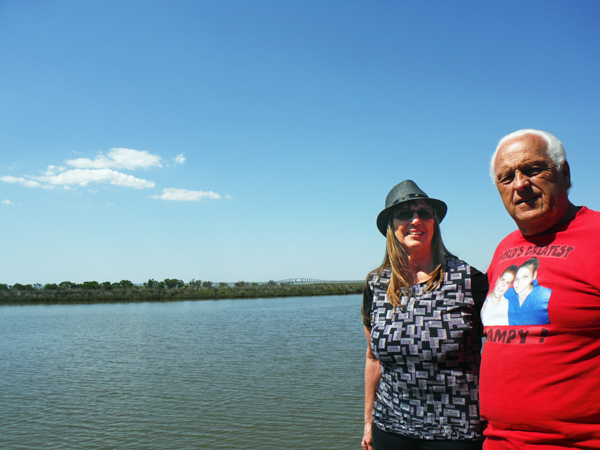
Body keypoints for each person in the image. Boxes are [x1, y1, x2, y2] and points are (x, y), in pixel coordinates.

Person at [481, 129, 600, 449]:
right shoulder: (504, 248)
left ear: (564, 173)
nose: (519, 184)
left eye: (533, 169)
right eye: (506, 178)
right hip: (498, 440)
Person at [362, 180, 488, 450]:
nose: (416, 220)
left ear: (434, 222)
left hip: (457, 432)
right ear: (391, 226)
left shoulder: (469, 279)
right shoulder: (376, 284)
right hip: (390, 428)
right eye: (405, 213)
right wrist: (368, 422)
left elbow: (501, 350)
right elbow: (373, 359)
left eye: (424, 213)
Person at [503, 257, 551, 326]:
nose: (519, 282)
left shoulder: (545, 294)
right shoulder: (507, 293)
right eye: (516, 279)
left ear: (534, 275)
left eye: (525, 277)